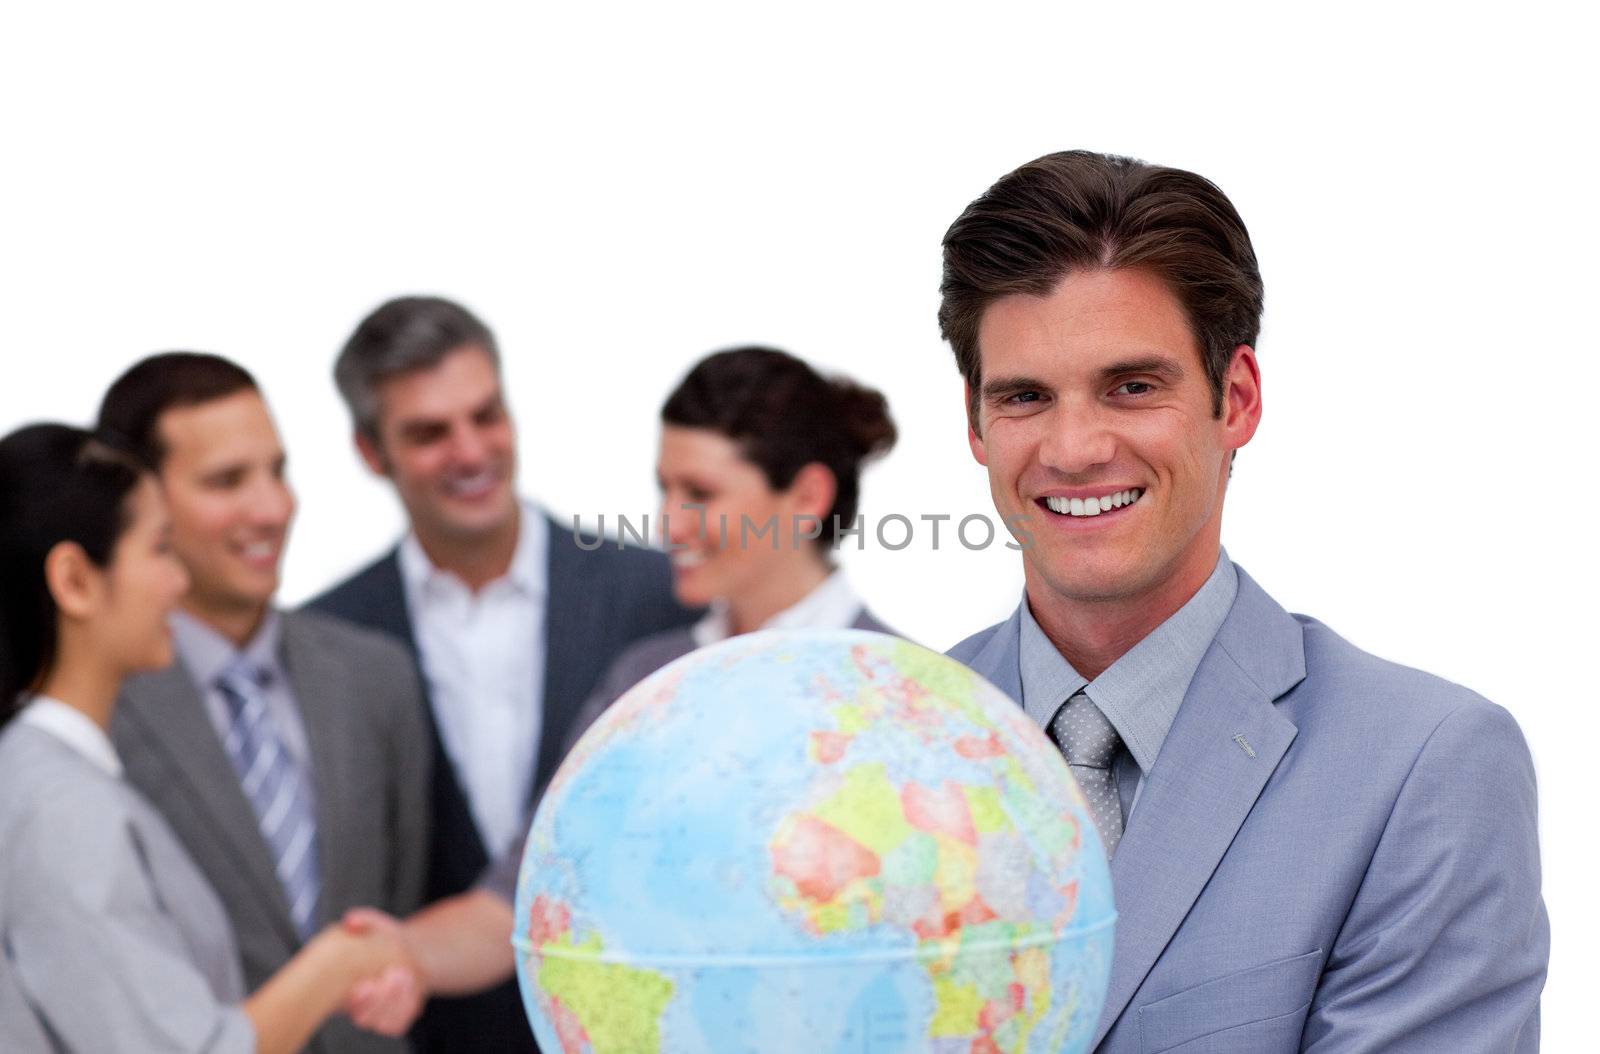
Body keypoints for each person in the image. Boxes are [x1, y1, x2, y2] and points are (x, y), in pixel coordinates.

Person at [938, 150, 1548, 1051]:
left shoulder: (1426, 769)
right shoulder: (871, 740)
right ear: (976, 425)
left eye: (1132, 387)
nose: (1073, 449)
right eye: (1026, 396)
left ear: (1237, 399)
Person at [339, 344, 901, 1033]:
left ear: (807, 497)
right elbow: (528, 890)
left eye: (700, 494)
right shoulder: (643, 678)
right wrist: (405, 955)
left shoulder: (907, 696)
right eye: (664, 490)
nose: (669, 524)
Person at [308, 295, 698, 1052]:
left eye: (485, 415)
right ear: (369, 450)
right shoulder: (328, 637)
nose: (470, 450)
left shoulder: (657, 597)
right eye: (429, 433)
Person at [0, 423, 416, 1053]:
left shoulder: (56, 780)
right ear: (76, 581)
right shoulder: (59, 807)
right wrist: (333, 966)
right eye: (160, 548)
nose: (179, 582)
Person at [95, 355, 433, 1054]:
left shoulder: (376, 677)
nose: (272, 507)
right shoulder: (95, 709)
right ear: (141, 500)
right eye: (227, 481)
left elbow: (399, 896)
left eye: (276, 471)